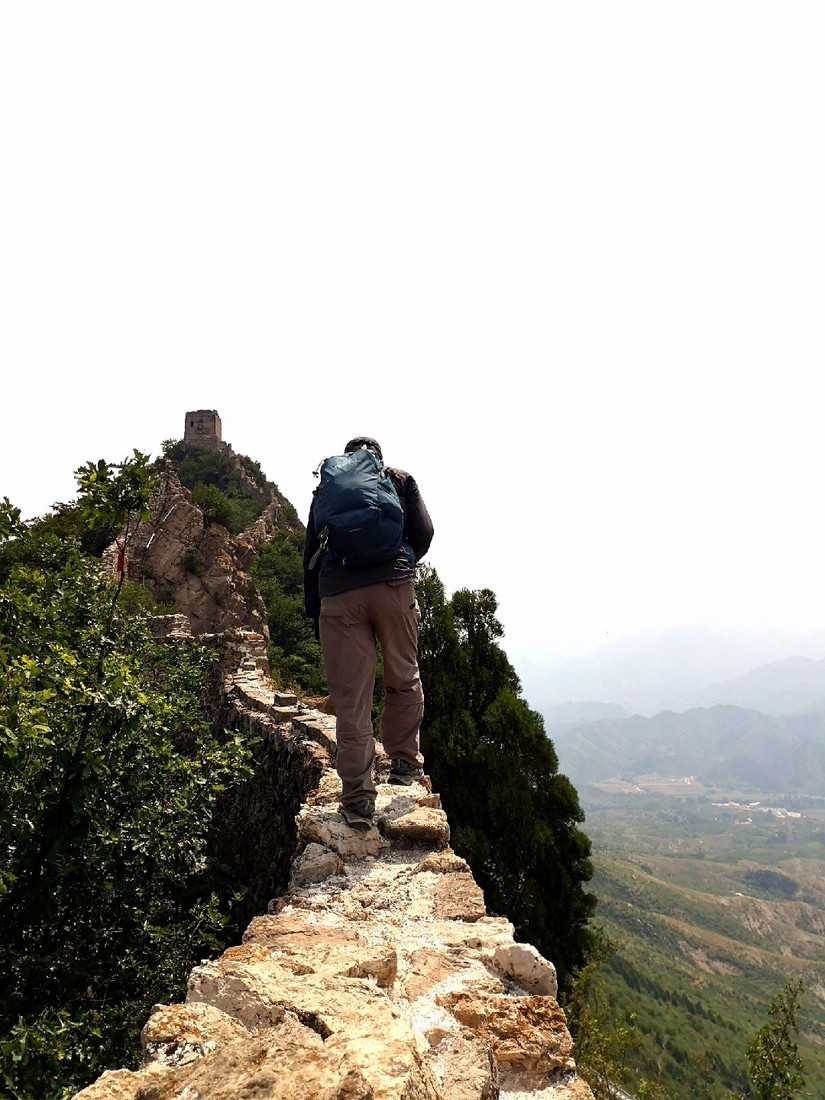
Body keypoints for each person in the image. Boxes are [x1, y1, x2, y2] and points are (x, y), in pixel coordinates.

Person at [303, 436, 434, 828]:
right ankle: (404, 764)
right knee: (403, 676)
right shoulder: (398, 479)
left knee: (352, 700)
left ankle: (358, 799)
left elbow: (310, 552)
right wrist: (402, 559)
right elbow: (424, 532)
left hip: (339, 596)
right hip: (394, 587)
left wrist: (316, 611)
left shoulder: (326, 489)